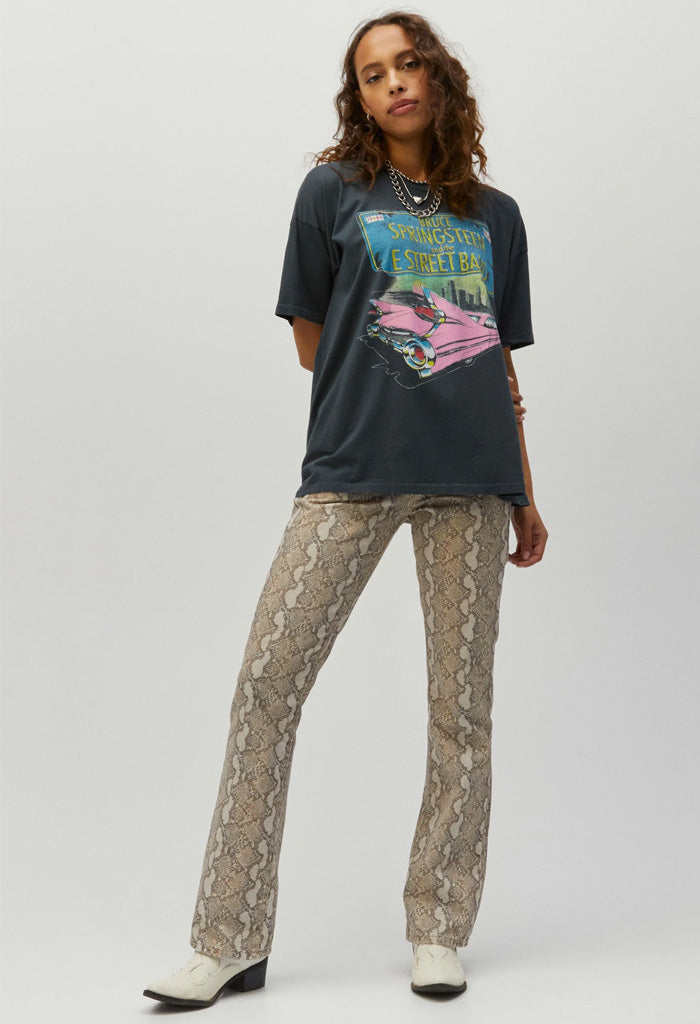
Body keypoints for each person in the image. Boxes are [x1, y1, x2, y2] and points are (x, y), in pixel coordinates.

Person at [143, 9, 548, 1008]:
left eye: (408, 64)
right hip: (352, 468)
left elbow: (499, 365)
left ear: (438, 78)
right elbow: (309, 340)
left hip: (472, 479)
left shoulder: (496, 216)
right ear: (359, 98)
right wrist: (394, 382)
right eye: (373, 74)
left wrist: (525, 492)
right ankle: (228, 936)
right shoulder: (331, 192)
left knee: (462, 713)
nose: (394, 83)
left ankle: (438, 929)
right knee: (266, 685)